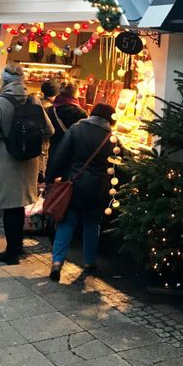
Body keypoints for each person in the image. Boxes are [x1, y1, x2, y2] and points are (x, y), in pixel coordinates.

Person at [0, 64, 54, 264]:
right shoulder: (34, 100)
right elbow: (50, 130)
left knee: (9, 208)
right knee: (19, 205)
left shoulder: (0, 102)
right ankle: (18, 247)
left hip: (6, 161)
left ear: (4, 80)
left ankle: (12, 251)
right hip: (29, 161)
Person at [46, 103, 119, 281]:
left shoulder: (76, 129)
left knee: (66, 222)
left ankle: (57, 262)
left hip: (73, 184)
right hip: (97, 187)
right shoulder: (111, 138)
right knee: (92, 224)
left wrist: (51, 176)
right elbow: (116, 165)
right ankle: (89, 262)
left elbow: (61, 154)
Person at [47, 82, 87, 164]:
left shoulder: (49, 110)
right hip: (71, 152)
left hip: (53, 149)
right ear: (75, 94)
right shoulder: (81, 113)